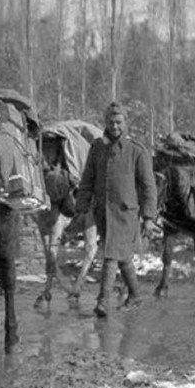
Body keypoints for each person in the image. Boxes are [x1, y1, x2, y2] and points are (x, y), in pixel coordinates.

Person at [74, 102, 157, 318]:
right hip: (103, 213)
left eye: (119, 122)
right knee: (122, 257)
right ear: (106, 123)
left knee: (110, 255)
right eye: (111, 122)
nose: (114, 126)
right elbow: (87, 179)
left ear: (126, 123)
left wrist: (149, 217)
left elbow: (148, 186)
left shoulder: (136, 151)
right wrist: (81, 205)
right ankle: (136, 294)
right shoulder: (97, 148)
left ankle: (103, 300)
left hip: (125, 213)